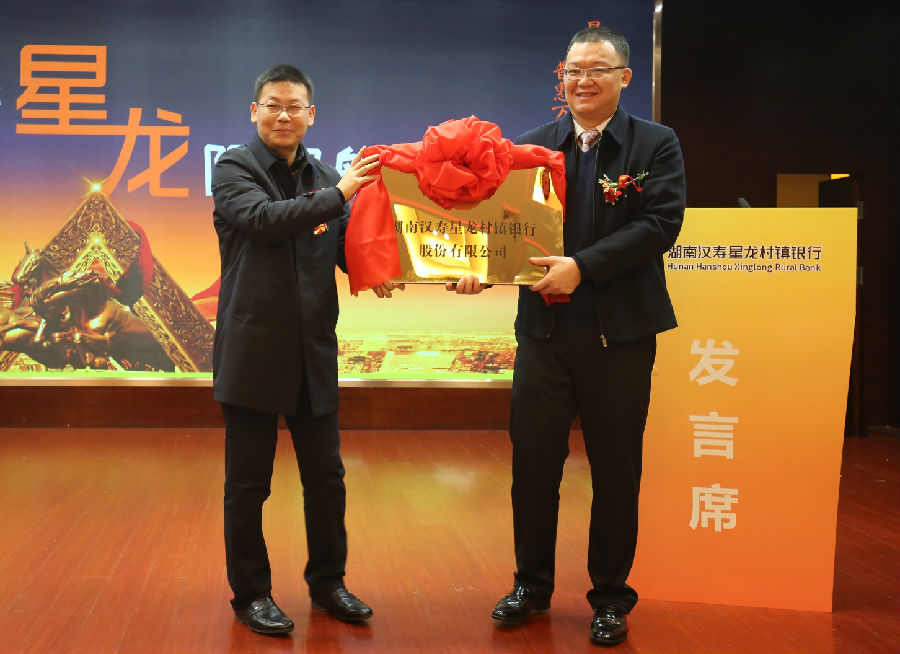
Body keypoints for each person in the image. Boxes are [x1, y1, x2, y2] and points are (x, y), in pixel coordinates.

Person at [450, 26, 685, 646]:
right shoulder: (530, 147)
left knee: (615, 471)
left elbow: (661, 224)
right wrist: (478, 270)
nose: (583, 81)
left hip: (619, 337)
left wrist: (584, 266)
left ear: (624, 77)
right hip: (544, 335)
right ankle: (530, 586)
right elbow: (503, 229)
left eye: (596, 70)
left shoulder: (655, 144)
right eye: (573, 70)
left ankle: (610, 596)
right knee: (533, 466)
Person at [212, 64, 402, 635]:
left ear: (311, 115)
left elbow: (345, 245)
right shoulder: (234, 168)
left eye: (294, 106)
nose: (284, 115)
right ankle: (251, 594)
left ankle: (328, 584)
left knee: (327, 479)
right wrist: (340, 194)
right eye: (273, 104)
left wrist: (381, 268)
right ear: (254, 110)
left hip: (312, 353)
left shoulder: (324, 176)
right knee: (249, 484)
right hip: (253, 351)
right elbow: (264, 221)